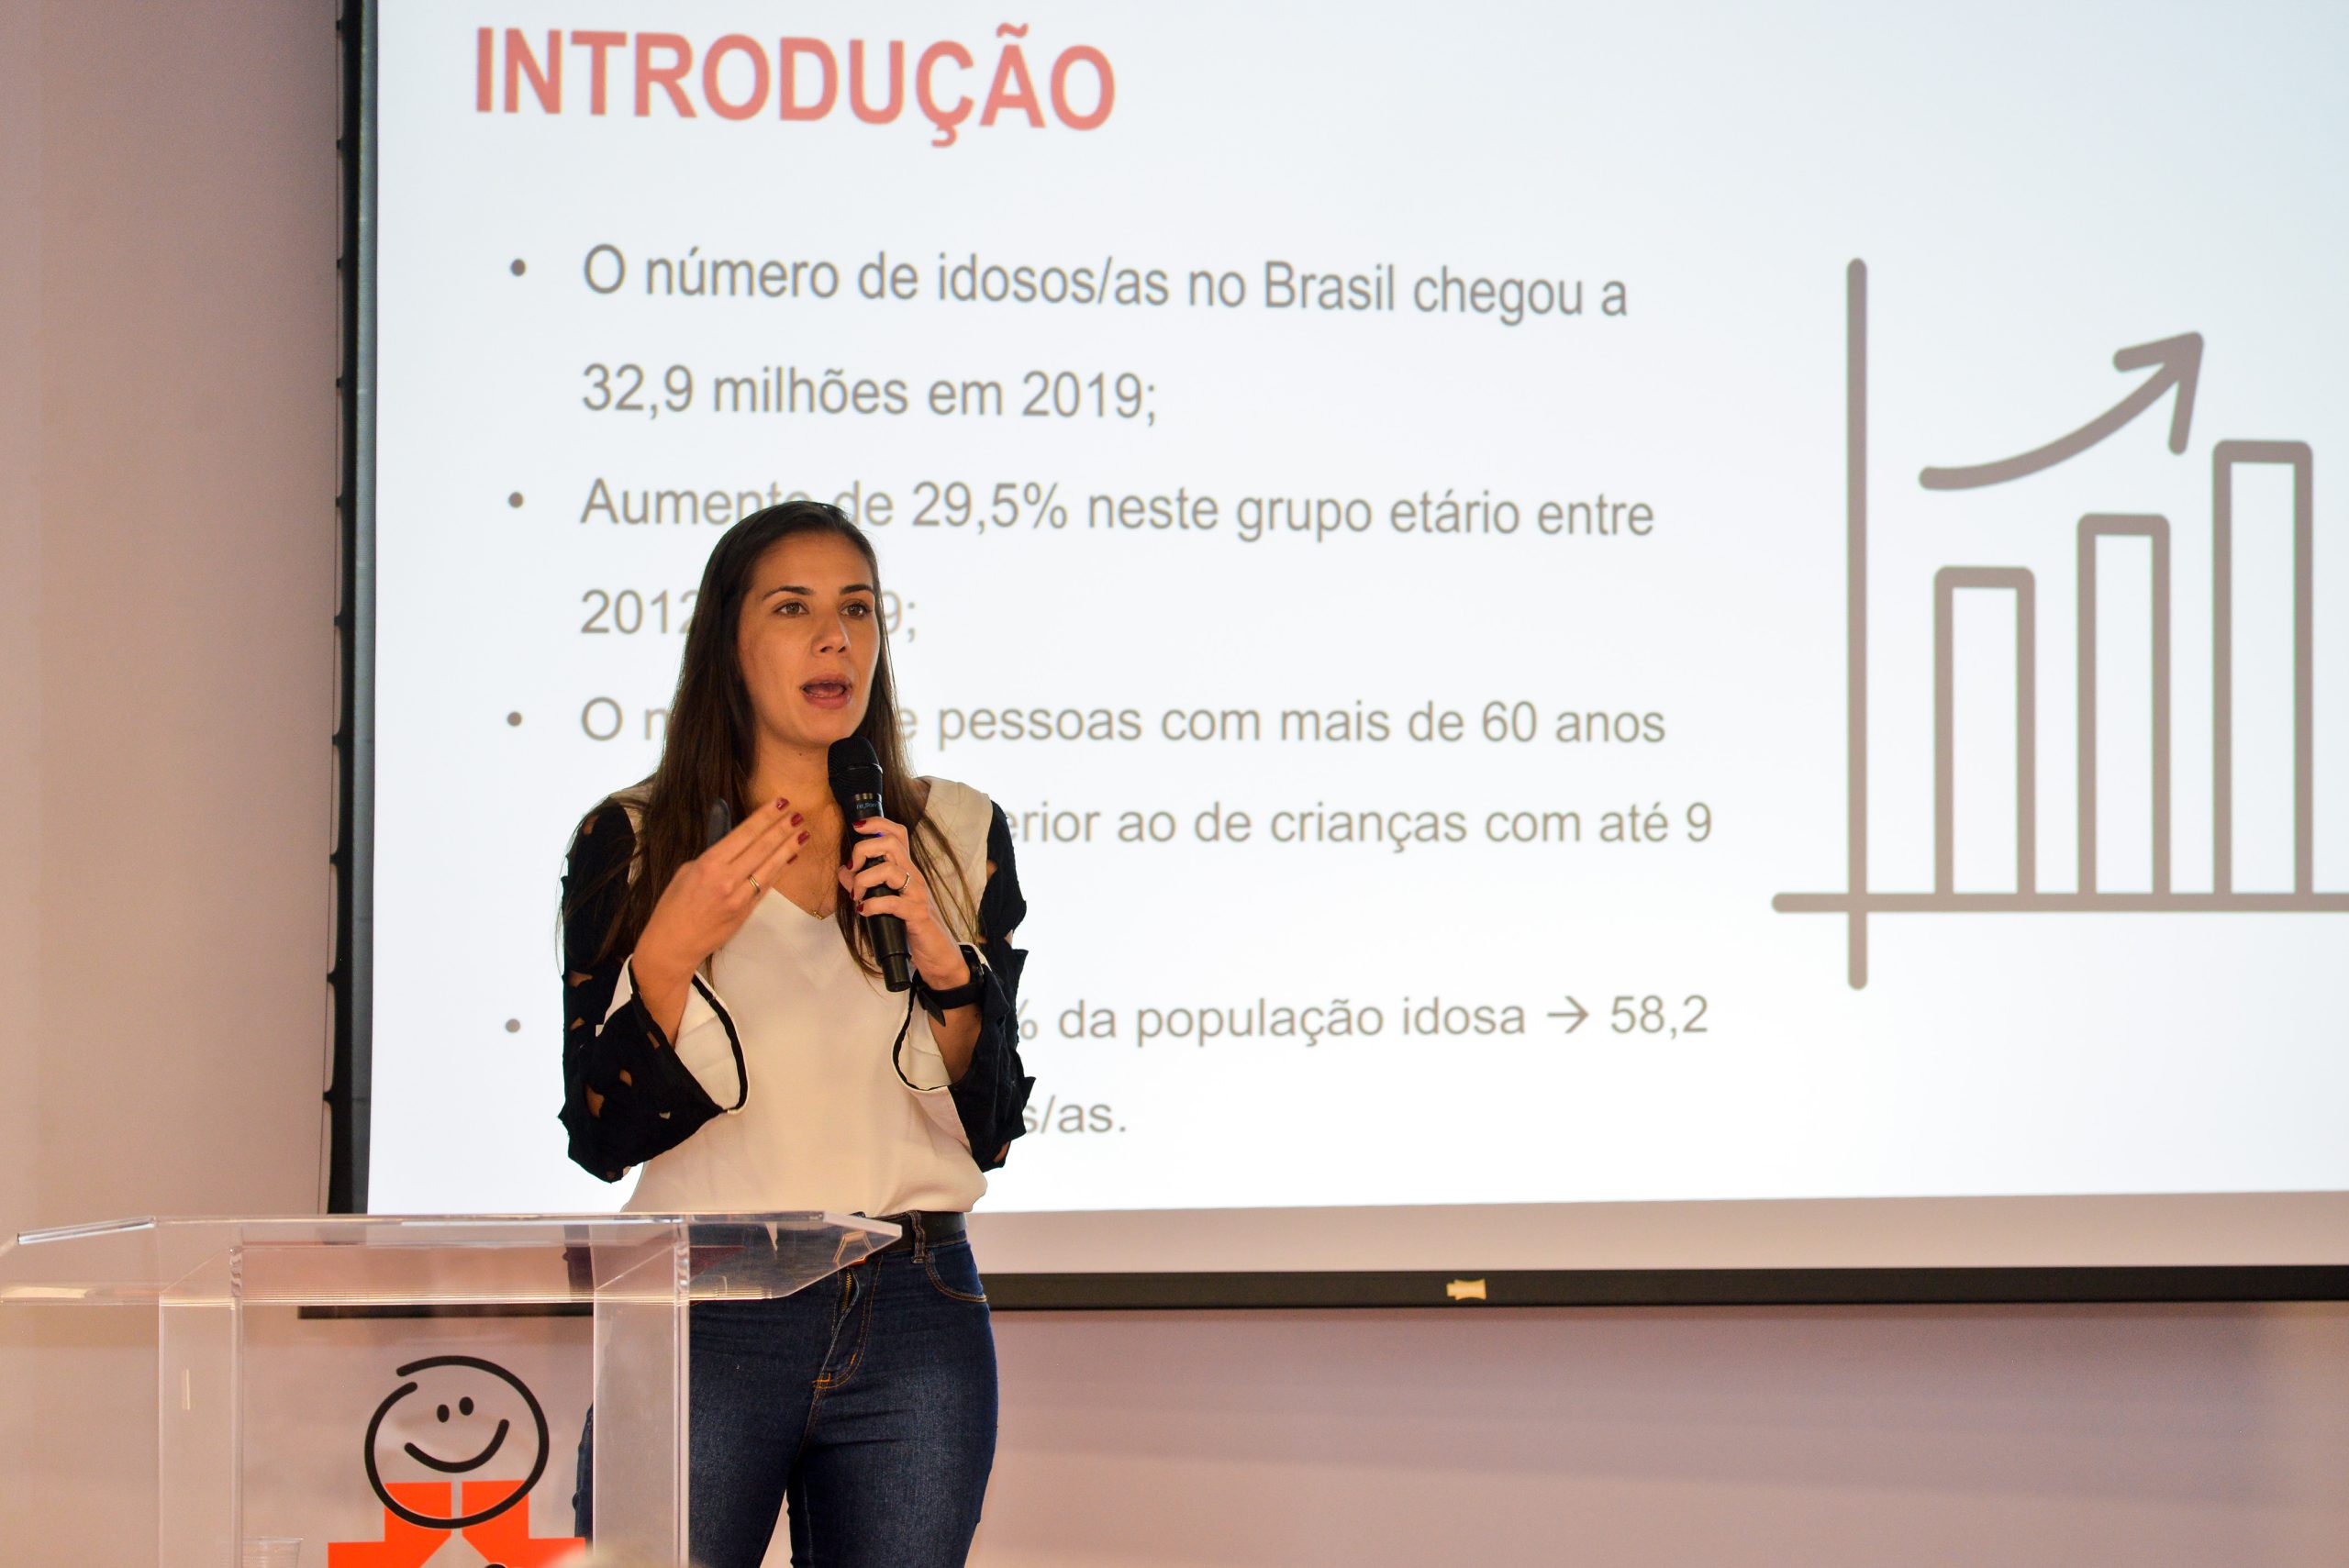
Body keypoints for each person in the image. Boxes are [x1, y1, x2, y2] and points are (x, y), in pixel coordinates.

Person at [557, 501, 1033, 1568]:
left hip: (915, 1308)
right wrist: (666, 952)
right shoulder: (634, 838)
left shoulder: (954, 830)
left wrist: (944, 957)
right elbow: (599, 1134)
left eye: (857, 609)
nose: (835, 638)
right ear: (728, 641)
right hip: (706, 1304)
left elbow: (993, 1124)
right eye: (794, 608)